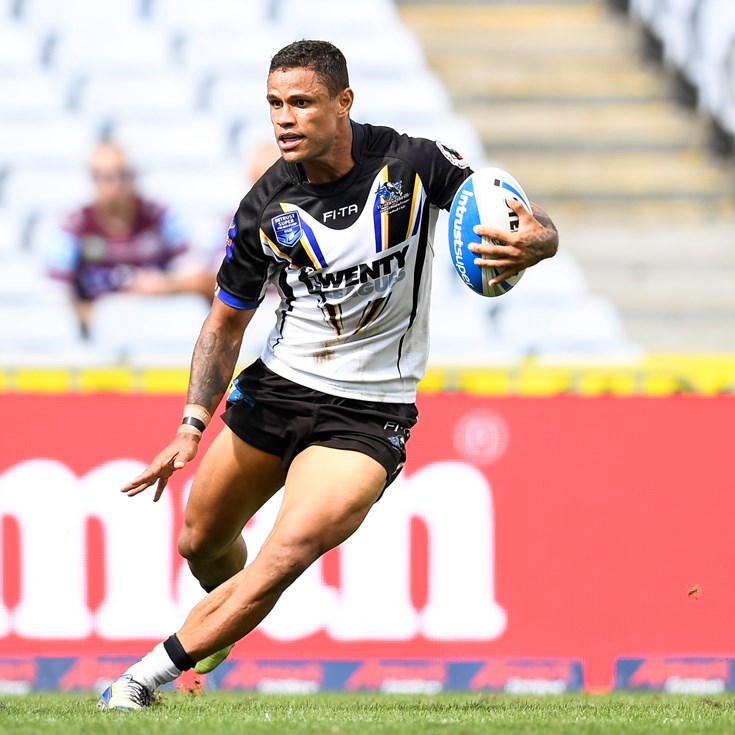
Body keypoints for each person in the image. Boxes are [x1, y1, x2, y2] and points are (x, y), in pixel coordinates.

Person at [98, 39, 559, 710]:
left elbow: (520, 216)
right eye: (274, 104)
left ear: (343, 102)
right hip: (279, 387)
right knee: (200, 540)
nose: (284, 119)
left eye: (301, 103)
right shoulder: (265, 207)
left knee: (283, 555)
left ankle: (139, 680)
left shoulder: (413, 163)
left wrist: (538, 242)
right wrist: (191, 424)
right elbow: (224, 325)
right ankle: (221, 619)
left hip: (368, 412)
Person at [46, 141, 216, 336]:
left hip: (157, 328)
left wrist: (166, 286)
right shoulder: (74, 226)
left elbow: (200, 279)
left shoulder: (159, 217)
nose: (116, 185)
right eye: (106, 177)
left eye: (123, 175)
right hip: (99, 334)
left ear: (134, 176)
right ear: (93, 179)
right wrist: (103, 315)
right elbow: (56, 295)